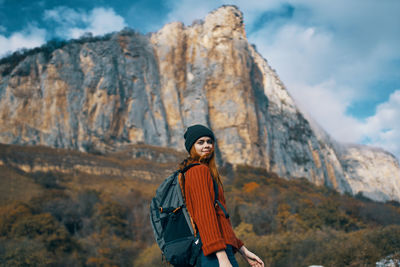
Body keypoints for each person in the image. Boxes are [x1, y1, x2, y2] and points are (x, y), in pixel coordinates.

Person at [179, 124, 264, 267]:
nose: (206, 145)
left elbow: (220, 219)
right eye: (200, 142)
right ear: (191, 147)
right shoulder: (198, 171)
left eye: (209, 141)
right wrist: (222, 257)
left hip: (220, 250)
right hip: (213, 253)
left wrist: (243, 251)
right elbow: (205, 215)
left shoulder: (206, 171)